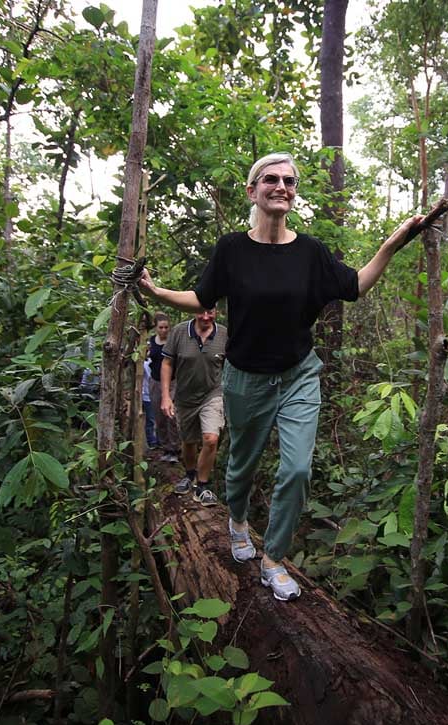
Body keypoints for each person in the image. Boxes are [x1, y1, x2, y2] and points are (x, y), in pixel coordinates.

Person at [139, 152, 422, 602]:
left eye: (289, 181)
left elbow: (355, 286)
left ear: (294, 193)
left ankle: (273, 559)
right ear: (253, 191)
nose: (281, 187)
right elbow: (201, 298)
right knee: (241, 466)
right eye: (271, 179)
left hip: (298, 376)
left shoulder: (310, 252)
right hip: (245, 379)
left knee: (297, 469)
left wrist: (393, 242)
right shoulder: (232, 249)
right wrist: (156, 291)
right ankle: (237, 521)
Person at [160, 308, 228, 506]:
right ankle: (189, 475)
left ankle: (202, 485)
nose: (206, 317)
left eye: (210, 312)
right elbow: (167, 363)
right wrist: (166, 396)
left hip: (213, 394)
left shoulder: (224, 334)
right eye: (201, 312)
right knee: (188, 441)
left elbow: (231, 366)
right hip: (185, 397)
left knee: (211, 439)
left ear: (216, 312)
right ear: (193, 311)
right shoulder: (180, 332)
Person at [147, 313, 180, 463]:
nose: (164, 330)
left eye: (166, 327)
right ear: (156, 327)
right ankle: (165, 447)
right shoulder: (151, 341)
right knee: (159, 416)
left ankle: (175, 448)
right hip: (155, 382)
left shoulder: (173, 342)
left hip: (173, 382)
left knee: (171, 416)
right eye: (161, 327)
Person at [141, 357, 157, 450]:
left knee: (157, 419)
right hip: (147, 395)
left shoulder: (157, 362)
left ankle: (158, 440)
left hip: (156, 394)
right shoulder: (144, 364)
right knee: (150, 420)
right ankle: (152, 441)